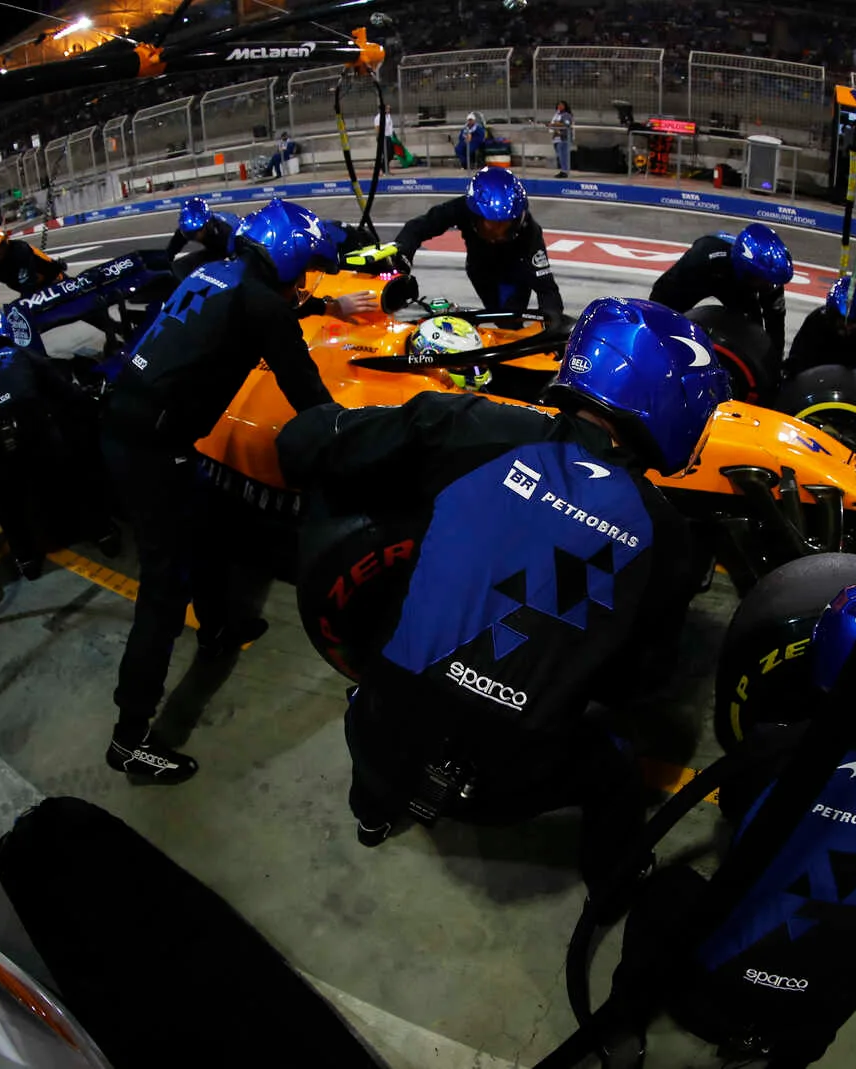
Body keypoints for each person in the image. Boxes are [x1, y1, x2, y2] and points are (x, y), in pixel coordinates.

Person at [276, 297, 723, 889]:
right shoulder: (666, 538)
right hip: (511, 782)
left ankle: (372, 817)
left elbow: (304, 445)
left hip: (382, 737)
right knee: (614, 765)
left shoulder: (467, 424)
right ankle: (615, 876)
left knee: (374, 698)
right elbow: (636, 683)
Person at [592, 575, 856, 1064]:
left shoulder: (770, 747)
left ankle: (623, 1026)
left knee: (665, 893)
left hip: (710, 984)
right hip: (815, 1007)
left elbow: (735, 809)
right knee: (849, 963)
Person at [98, 198, 340, 784]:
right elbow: (309, 394)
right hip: (152, 446)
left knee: (204, 519)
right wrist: (352, 439)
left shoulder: (214, 272)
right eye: (304, 270)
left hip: (127, 423)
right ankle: (129, 737)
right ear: (284, 262)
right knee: (162, 586)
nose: (304, 282)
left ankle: (219, 626)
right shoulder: (265, 305)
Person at [0, 308, 121, 580]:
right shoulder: (21, 356)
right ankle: (102, 531)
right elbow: (67, 394)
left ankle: (25, 559)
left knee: (3, 500)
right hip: (31, 428)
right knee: (76, 470)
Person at [394, 167, 563, 319]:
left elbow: (547, 289)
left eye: (506, 225)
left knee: (510, 320)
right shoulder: (462, 208)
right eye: (492, 225)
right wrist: (401, 262)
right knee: (499, 316)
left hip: (514, 272)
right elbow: (415, 229)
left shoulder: (529, 230)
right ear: (475, 215)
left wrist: (553, 325)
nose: (498, 234)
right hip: (480, 271)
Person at [647, 223, 793, 362]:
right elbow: (661, 293)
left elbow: (775, 324)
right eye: (762, 281)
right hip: (706, 274)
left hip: (737, 283)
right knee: (664, 319)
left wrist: (774, 363)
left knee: (754, 334)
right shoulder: (699, 260)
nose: (768, 286)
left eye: (770, 282)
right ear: (746, 269)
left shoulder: (772, 279)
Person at [786, 274, 856, 378]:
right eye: (842, 320)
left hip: (850, 387)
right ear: (832, 315)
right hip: (815, 383)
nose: (847, 327)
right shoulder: (816, 321)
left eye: (853, 322)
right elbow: (797, 360)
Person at [163, 197, 239, 275]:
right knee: (180, 266)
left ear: (206, 226)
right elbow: (171, 251)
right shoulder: (188, 228)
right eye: (189, 234)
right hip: (215, 251)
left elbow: (240, 261)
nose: (193, 238)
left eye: (195, 233)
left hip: (239, 250)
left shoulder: (226, 232)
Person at [549, 100, 575, 178]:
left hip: (564, 138)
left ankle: (565, 171)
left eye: (561, 105)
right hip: (557, 138)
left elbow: (566, 124)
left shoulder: (566, 115)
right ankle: (563, 170)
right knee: (560, 155)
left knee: (564, 155)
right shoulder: (556, 115)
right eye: (558, 105)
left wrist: (555, 124)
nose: (560, 107)